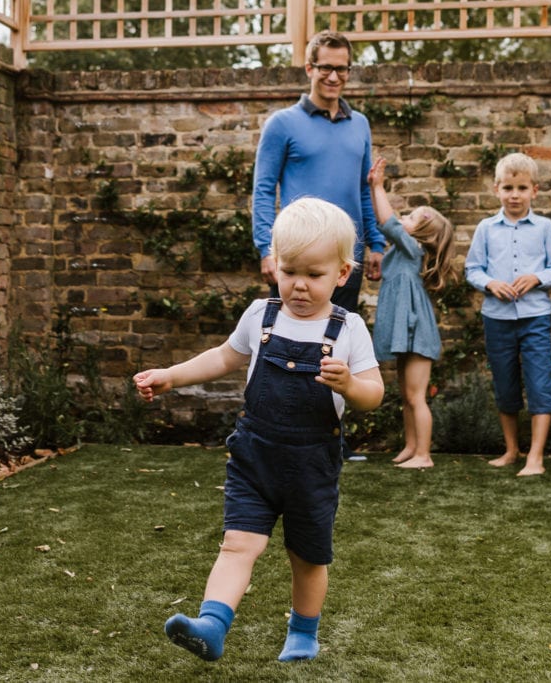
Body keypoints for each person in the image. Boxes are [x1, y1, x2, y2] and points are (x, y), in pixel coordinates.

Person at [133, 198, 385, 662]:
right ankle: (212, 624)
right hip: (255, 457)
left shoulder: (348, 329)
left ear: (342, 274)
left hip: (312, 464)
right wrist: (171, 374)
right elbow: (223, 358)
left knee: (307, 558)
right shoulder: (260, 316)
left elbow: (375, 392)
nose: (300, 286)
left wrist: (350, 383)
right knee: (237, 544)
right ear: (275, 267)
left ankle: (304, 632)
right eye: (290, 272)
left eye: (314, 274)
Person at [252, 30, 384, 461]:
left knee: (335, 348)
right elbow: (263, 189)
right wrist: (266, 250)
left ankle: (332, 445)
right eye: (324, 66)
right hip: (299, 260)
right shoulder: (283, 124)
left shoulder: (360, 124)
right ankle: (278, 439)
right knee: (289, 347)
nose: (333, 76)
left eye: (341, 68)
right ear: (309, 68)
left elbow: (364, 193)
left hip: (345, 260)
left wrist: (376, 244)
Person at [465, 153, 551, 476]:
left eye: (522, 188)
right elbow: (472, 269)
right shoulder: (485, 228)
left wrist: (537, 278)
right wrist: (490, 283)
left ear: (534, 191)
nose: (514, 195)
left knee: (540, 382)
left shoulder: (545, 227)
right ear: (496, 189)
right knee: (505, 384)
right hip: (497, 318)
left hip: (535, 317)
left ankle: (535, 457)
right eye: (508, 187)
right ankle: (511, 450)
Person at [366, 158, 457, 469]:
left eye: (411, 217)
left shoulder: (412, 249)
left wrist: (378, 186)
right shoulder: (402, 254)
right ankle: (410, 446)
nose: (403, 217)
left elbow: (388, 223)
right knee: (406, 395)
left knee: (417, 396)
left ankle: (424, 455)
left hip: (416, 332)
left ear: (423, 235)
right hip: (407, 333)